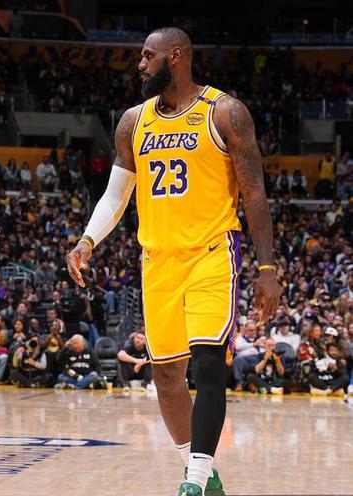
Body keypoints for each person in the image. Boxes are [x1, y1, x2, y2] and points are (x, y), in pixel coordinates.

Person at [66, 28, 281, 496]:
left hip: (211, 253)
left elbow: (254, 193)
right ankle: (201, 470)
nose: (140, 65)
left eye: (148, 56)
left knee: (208, 362)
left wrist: (267, 268)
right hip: (157, 259)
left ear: (176, 56)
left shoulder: (224, 112)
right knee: (166, 376)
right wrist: (87, 240)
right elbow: (116, 195)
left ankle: (195, 480)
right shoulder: (133, 122)